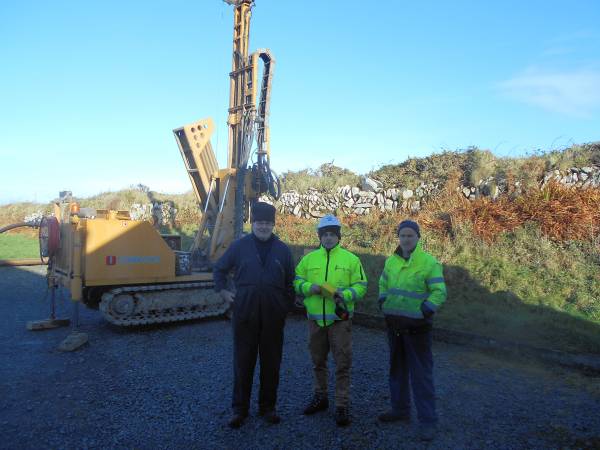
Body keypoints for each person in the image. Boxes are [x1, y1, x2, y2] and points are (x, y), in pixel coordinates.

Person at [214, 201, 295, 429]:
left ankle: (268, 408)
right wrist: (222, 291)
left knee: (271, 364)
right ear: (253, 223)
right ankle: (239, 410)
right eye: (259, 222)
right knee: (243, 363)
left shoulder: (283, 250)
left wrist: (284, 308)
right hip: (245, 316)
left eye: (268, 222)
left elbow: (291, 283)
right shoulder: (239, 247)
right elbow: (219, 269)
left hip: (273, 318)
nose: (263, 226)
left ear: (273, 224)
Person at [294, 214, 367, 426]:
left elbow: (362, 285)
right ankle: (321, 397)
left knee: (343, 363)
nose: (328, 238)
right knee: (318, 362)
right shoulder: (308, 259)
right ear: (319, 236)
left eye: (332, 234)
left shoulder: (352, 259)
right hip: (315, 321)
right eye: (324, 234)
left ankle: (342, 405)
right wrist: (310, 288)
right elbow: (297, 282)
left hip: (340, 321)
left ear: (338, 237)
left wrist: (347, 294)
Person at [377, 219, 446, 441]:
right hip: (395, 327)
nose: (406, 239)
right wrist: (382, 301)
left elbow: (439, 292)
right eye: (403, 235)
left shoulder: (429, 263)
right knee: (396, 371)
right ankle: (400, 410)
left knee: (421, 376)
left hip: (417, 329)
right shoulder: (391, 262)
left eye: (410, 235)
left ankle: (428, 421)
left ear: (418, 237)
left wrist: (426, 309)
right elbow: (383, 284)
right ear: (398, 237)